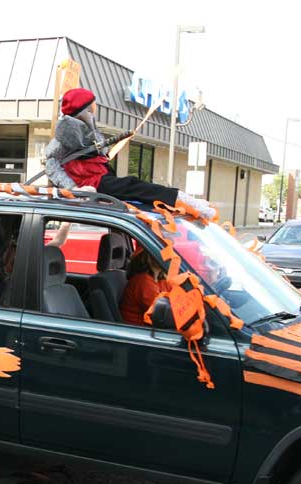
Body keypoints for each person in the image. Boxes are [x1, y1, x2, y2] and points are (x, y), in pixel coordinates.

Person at [45, 88, 216, 220]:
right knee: (135, 186)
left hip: (100, 175)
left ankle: (186, 202)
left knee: (136, 194)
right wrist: (74, 190)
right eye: (92, 106)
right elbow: (51, 164)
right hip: (91, 183)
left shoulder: (86, 127)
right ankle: (190, 204)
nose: (94, 109)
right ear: (84, 110)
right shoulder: (65, 134)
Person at [120, 248, 171, 327]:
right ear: (149, 258)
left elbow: (175, 296)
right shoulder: (142, 281)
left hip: (150, 329)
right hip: (139, 332)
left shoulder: (161, 280)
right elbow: (163, 313)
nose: (169, 258)